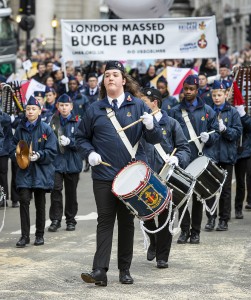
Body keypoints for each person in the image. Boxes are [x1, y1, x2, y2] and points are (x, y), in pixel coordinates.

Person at [75, 60, 162, 286]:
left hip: (130, 179)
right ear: (104, 82)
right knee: (104, 221)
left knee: (125, 223)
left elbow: (155, 139)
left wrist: (152, 125)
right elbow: (80, 137)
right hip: (103, 176)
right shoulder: (95, 109)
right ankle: (99, 270)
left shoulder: (139, 106)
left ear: (124, 80)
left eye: (115, 74)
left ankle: (124, 269)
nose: (110, 78)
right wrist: (89, 153)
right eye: (107, 75)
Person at [140, 87, 191, 268]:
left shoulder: (171, 123)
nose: (140, 103)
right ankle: (153, 241)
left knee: (165, 215)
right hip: (145, 176)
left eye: (144, 100)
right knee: (144, 213)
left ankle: (162, 256)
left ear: (154, 102)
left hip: (166, 176)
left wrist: (177, 158)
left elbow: (185, 148)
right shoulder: (140, 122)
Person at [169, 75, 219, 244]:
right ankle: (184, 230)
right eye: (186, 89)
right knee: (182, 197)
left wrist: (209, 138)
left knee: (198, 197)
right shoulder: (175, 111)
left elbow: (216, 133)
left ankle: (195, 232)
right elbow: (170, 135)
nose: (188, 92)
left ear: (198, 90)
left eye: (192, 89)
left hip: (199, 160)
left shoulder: (207, 110)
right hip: (182, 159)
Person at [10, 96, 57, 247]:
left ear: (39, 111)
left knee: (40, 204)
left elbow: (52, 151)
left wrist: (39, 155)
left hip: (41, 172)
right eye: (28, 109)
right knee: (24, 201)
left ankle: (39, 235)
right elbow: (12, 146)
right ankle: (24, 236)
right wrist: (18, 156)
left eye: (33, 109)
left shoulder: (46, 128)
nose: (30, 112)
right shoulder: (20, 128)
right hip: (24, 172)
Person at [204, 81, 242, 231]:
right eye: (214, 95)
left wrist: (226, 130)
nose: (216, 98)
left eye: (219, 95)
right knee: (210, 189)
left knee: (225, 190)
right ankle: (210, 218)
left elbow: (237, 132)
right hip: (212, 156)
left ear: (226, 95)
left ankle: (223, 219)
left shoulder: (232, 112)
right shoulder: (208, 111)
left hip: (227, 156)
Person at [48, 94, 82, 232]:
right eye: (61, 105)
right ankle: (55, 219)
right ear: (57, 106)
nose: (63, 108)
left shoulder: (78, 121)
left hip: (72, 163)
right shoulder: (52, 121)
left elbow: (82, 142)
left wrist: (70, 142)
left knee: (71, 193)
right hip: (56, 162)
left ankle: (70, 219)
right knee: (55, 191)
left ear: (71, 107)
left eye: (66, 105)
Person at [0, 109, 12, 207]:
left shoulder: (5, 117)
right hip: (3, 150)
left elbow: (6, 120)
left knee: (3, 176)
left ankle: (3, 198)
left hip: (3, 151)